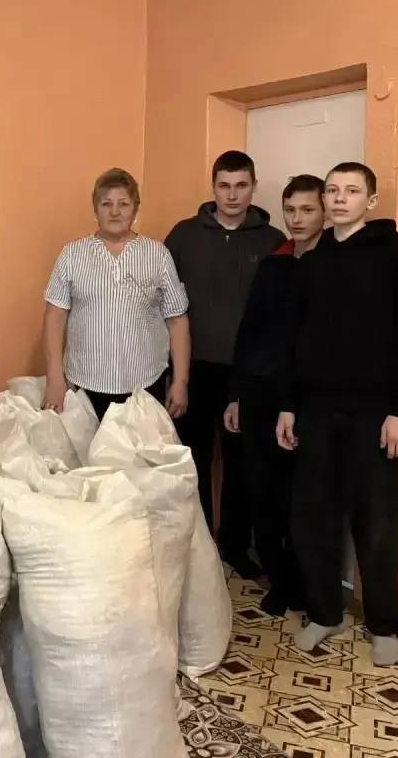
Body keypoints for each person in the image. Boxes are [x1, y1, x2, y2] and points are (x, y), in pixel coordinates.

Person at [276, 162, 398, 666]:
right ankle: (326, 613)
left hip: (376, 414)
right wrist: (289, 405)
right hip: (316, 410)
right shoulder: (313, 260)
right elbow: (294, 340)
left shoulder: (396, 257)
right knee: (313, 517)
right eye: (333, 190)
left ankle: (384, 624)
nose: (340, 198)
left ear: (371, 200)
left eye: (352, 191)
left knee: (376, 521)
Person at [165, 150, 284, 578]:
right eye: (224, 186)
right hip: (192, 368)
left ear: (253, 187)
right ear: (213, 187)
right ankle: (196, 545)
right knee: (192, 458)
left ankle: (234, 546)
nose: (232, 195)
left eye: (241, 186)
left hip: (248, 373)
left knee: (242, 463)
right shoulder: (183, 236)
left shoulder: (272, 241)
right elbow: (163, 302)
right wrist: (174, 373)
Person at [223, 174, 325, 617]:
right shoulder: (274, 262)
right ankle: (279, 581)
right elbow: (251, 332)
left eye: (307, 210)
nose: (297, 219)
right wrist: (236, 395)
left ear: (324, 212)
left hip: (305, 400)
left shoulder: (331, 265)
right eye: (290, 210)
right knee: (262, 493)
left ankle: (306, 585)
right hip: (260, 395)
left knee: (301, 499)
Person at [43, 168, 191, 421]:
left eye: (123, 204)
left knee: (141, 448)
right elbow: (54, 318)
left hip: (145, 385)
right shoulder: (72, 254)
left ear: (135, 209)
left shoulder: (158, 254)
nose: (115, 212)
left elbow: (177, 321)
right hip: (85, 384)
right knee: (88, 448)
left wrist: (181, 381)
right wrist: (54, 378)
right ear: (95, 209)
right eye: (106, 204)